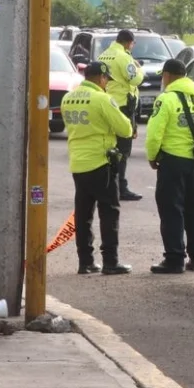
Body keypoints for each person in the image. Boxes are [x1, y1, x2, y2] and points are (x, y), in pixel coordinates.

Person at [62, 61, 133, 275]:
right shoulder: (102, 99)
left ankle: (85, 262)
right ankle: (111, 262)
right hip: (101, 163)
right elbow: (126, 129)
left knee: (83, 215)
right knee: (109, 213)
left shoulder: (68, 98)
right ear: (101, 78)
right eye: (107, 80)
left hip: (78, 164)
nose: (107, 84)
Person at [145, 58, 194, 274]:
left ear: (167, 75)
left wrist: (152, 157)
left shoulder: (166, 100)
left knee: (172, 211)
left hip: (172, 161)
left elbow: (155, 134)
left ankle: (174, 259)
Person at [99, 29, 144, 201]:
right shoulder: (124, 57)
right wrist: (139, 69)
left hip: (106, 104)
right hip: (123, 106)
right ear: (128, 42)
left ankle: (108, 184)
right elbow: (136, 79)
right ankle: (120, 187)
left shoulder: (104, 55)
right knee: (123, 150)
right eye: (132, 44)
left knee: (109, 146)